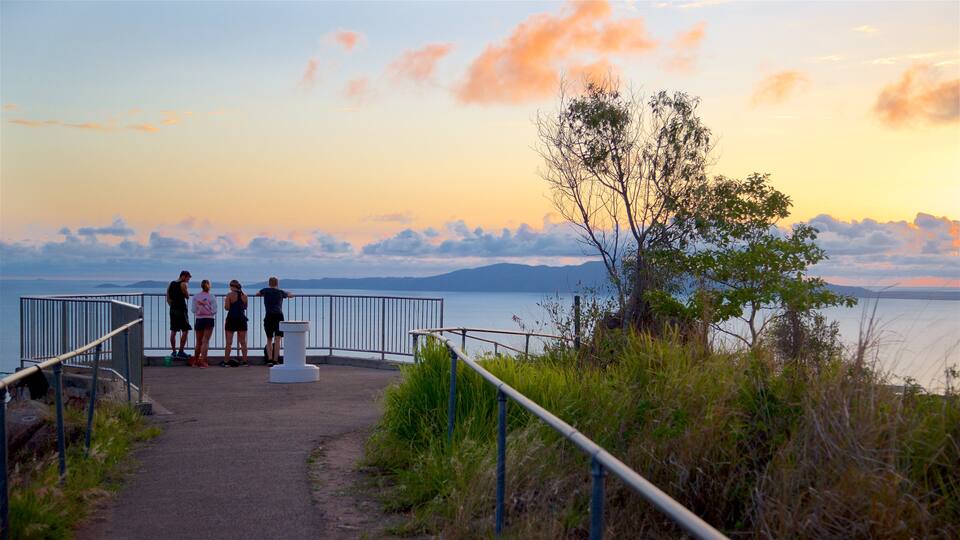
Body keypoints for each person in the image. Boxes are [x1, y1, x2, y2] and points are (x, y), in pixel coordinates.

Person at [257, 277, 293, 367]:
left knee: (269, 339)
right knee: (278, 339)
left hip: (269, 316)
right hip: (278, 316)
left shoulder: (265, 291)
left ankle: (269, 359)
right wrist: (289, 293)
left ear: (269, 283)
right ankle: (275, 360)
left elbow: (257, 294)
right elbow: (291, 295)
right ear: (277, 283)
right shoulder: (280, 292)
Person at [190, 279, 217, 369]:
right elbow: (214, 311)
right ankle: (204, 362)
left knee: (198, 342)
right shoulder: (212, 297)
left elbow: (193, 310)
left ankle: (196, 361)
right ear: (209, 286)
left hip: (199, 320)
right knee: (205, 341)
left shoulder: (196, 297)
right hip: (209, 320)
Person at [166, 270, 192, 359]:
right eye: (188, 277)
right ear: (183, 276)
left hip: (173, 309)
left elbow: (168, 297)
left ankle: (173, 352)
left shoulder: (171, 283)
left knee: (173, 331)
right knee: (185, 330)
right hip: (181, 309)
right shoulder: (183, 284)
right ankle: (181, 351)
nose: (188, 280)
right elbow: (187, 296)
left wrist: (172, 306)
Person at [223, 280, 248, 367]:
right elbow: (245, 307)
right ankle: (245, 361)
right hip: (241, 319)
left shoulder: (229, 295)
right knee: (243, 342)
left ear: (232, 286)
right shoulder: (244, 296)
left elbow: (227, 308)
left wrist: (226, 301)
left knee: (229, 342)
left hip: (231, 319)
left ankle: (226, 362)